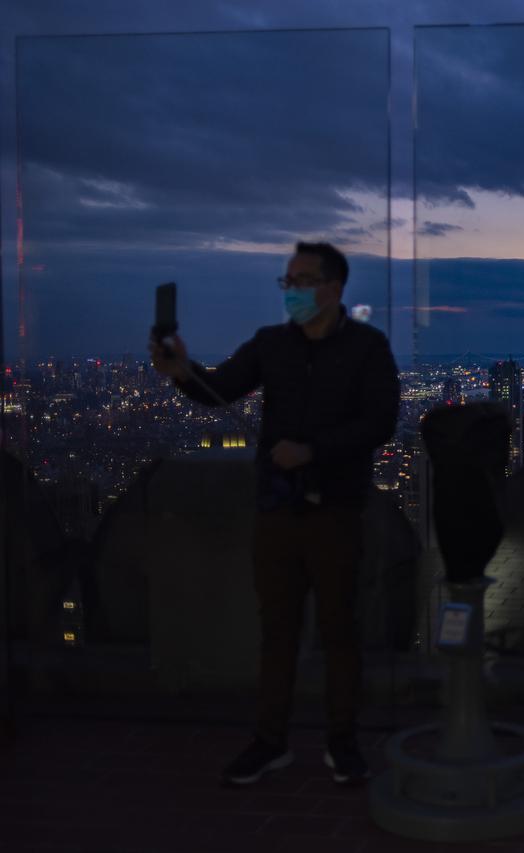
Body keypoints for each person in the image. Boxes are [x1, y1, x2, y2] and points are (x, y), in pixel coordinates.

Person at [149, 241, 400, 786]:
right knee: (277, 630)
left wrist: (313, 449)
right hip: (278, 510)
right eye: (287, 283)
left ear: (333, 289)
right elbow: (221, 390)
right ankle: (270, 740)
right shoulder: (270, 346)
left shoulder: (366, 348)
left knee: (339, 630)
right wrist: (182, 371)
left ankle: (342, 740)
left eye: (302, 282)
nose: (291, 292)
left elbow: (380, 421)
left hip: (335, 508)